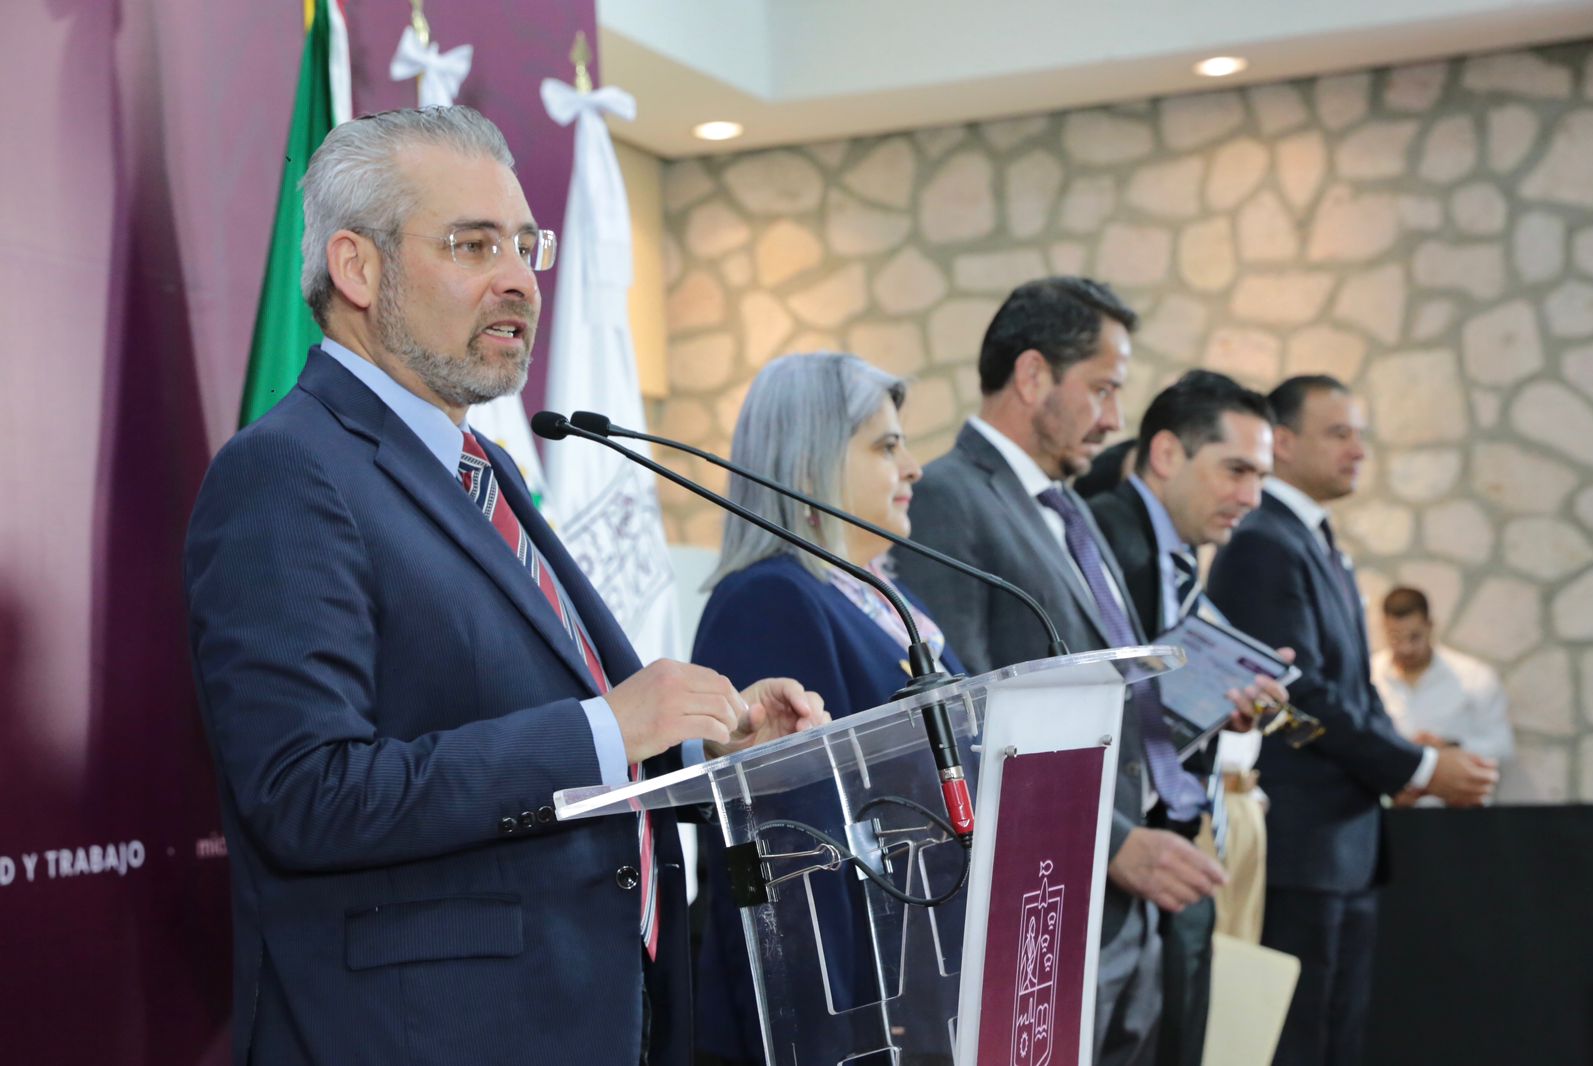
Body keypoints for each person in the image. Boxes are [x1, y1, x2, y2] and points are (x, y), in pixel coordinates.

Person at [183, 106, 826, 1066]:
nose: (521, 278)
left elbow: (518, 725)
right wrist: (608, 728)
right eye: (473, 244)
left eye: (526, 246)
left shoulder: (487, 469)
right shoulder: (286, 471)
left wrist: (707, 749)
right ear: (357, 269)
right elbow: (307, 795)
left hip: (594, 1018)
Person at [891, 277, 1277, 1066]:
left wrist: (1205, 703)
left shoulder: (1067, 510)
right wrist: (1114, 845)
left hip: (1116, 907)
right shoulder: (949, 498)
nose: (1114, 419)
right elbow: (958, 720)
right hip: (1049, 891)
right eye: (1102, 389)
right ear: (1034, 376)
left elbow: (1105, 691)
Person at [1207, 375, 1498, 1066]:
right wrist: (1418, 768)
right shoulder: (1261, 541)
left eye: (1359, 434)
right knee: (1298, 1045)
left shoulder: (1311, 537)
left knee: (1337, 1043)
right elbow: (1297, 693)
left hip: (1341, 843)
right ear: (1283, 442)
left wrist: (1402, 755)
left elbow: (1353, 688)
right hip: (1302, 845)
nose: (1359, 450)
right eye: (1339, 433)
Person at [689, 352, 964, 1066]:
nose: (914, 469)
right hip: (846, 1014)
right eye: (886, 446)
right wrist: (837, 1040)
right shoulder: (769, 599)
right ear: (808, 467)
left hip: (920, 982)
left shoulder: (883, 597)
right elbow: (787, 857)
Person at [1087, 369, 1279, 1066]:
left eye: (1260, 477)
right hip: (1104, 861)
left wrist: (1218, 701)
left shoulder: (1173, 554)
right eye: (1236, 470)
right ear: (1168, 453)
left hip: (1164, 848)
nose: (1251, 497)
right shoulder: (1100, 537)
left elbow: (1146, 704)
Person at [1373, 586, 1515, 802]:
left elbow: (1502, 746)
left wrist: (1449, 747)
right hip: (1388, 809)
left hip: (1457, 812)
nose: (1405, 648)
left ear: (1429, 625)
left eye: (1414, 637)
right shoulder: (1368, 675)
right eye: (1395, 637)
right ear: (1384, 628)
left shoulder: (1473, 676)